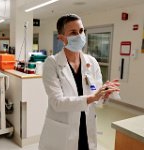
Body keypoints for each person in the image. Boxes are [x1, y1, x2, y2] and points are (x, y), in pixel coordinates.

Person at [38, 14, 120, 150]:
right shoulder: (52, 63)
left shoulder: (92, 62)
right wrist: (92, 97)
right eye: (73, 33)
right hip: (63, 129)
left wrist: (103, 95)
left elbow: (96, 99)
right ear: (61, 38)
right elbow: (57, 103)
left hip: (87, 126)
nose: (80, 36)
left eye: (81, 31)